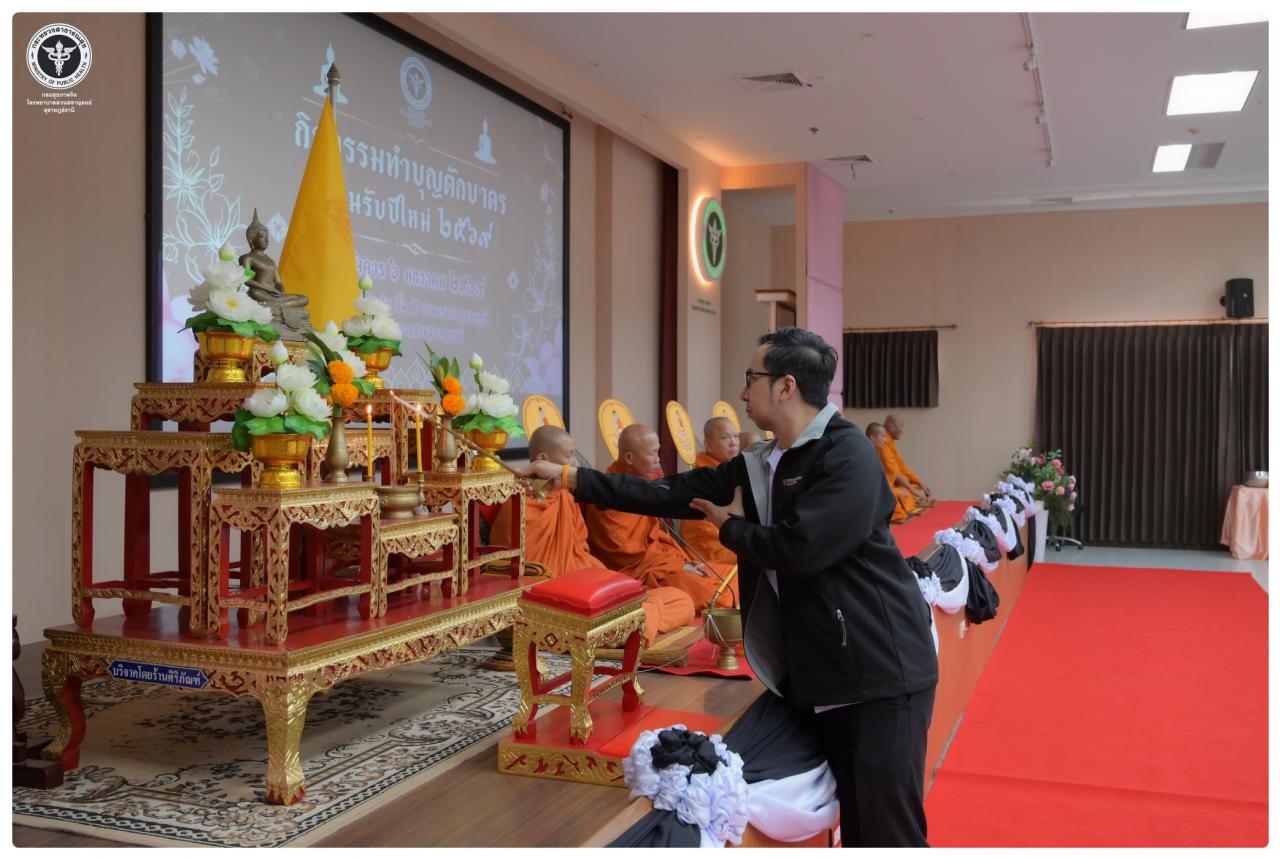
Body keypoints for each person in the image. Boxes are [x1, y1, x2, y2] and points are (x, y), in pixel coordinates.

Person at [523, 326, 938, 847]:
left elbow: (801, 549)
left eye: (751, 378)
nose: (742, 392)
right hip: (825, 672)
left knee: (887, 835)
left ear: (786, 386)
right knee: (857, 831)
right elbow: (673, 491)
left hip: (879, 671)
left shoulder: (846, 454)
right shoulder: (765, 460)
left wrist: (731, 529)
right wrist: (572, 480)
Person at [491, 426, 694, 645]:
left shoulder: (565, 497)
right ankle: (628, 625)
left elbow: (581, 550)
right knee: (619, 607)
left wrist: (604, 581)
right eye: (569, 456)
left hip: (584, 582)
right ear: (542, 460)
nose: (576, 464)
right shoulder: (521, 505)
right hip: (554, 594)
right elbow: (515, 572)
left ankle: (630, 624)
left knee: (682, 599)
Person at [581, 423, 739, 612]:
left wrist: (681, 562)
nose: (658, 460)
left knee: (734, 575)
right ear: (629, 458)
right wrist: (678, 567)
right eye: (652, 454)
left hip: (665, 562)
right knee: (706, 592)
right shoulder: (607, 498)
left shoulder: (645, 487)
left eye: (658, 452)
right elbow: (627, 558)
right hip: (645, 573)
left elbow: (655, 538)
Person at [240, 209, 311, 337]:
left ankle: (277, 306)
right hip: (260, 293)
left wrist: (281, 290)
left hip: (274, 296)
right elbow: (246, 280)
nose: (266, 240)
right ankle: (281, 307)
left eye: (267, 237)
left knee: (304, 299)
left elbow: (278, 282)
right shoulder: (247, 258)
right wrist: (267, 288)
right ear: (252, 239)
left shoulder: (270, 261)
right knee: (255, 294)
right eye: (262, 237)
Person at [679, 417, 740, 565]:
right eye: (725, 437)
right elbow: (705, 532)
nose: (733, 442)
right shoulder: (703, 478)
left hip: (730, 539)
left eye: (736, 436)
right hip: (710, 547)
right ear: (708, 444)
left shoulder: (731, 472)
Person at [866, 422, 916, 523]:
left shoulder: (876, 453)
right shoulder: (866, 454)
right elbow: (872, 485)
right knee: (896, 501)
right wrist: (895, 491)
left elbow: (890, 476)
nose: (885, 440)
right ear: (872, 438)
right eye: (882, 436)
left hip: (882, 490)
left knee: (905, 492)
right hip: (870, 495)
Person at [883, 414, 934, 508]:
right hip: (885, 487)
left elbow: (903, 468)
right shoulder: (883, 444)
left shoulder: (890, 443)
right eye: (900, 426)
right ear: (890, 426)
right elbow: (893, 472)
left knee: (918, 490)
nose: (903, 430)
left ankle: (916, 499)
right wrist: (912, 489)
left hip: (894, 483)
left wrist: (920, 483)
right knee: (908, 494)